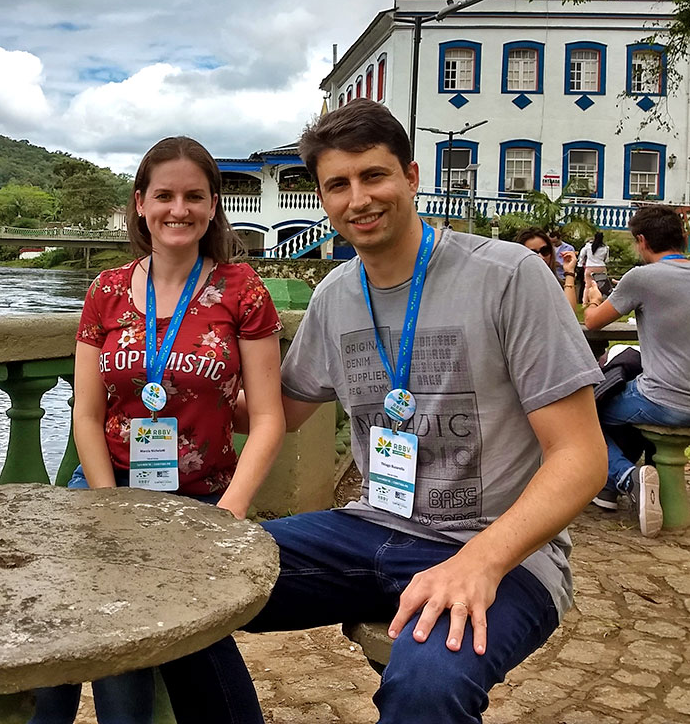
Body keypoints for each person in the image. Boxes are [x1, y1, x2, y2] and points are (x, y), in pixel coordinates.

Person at [159, 100, 606, 724]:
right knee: (179, 589)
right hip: (371, 526)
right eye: (337, 185)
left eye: (374, 176)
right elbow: (277, 413)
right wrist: (176, 381)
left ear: (412, 177)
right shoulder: (335, 295)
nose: (358, 199)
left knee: (426, 689)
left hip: (496, 546)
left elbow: (581, 458)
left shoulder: (509, 276)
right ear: (322, 198)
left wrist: (480, 562)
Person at [30, 136, 286, 724]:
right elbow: (88, 415)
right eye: (164, 195)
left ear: (214, 205)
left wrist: (230, 513)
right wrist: (107, 502)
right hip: (106, 482)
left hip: (201, 498)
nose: (179, 209)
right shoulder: (108, 290)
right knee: (67, 623)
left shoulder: (241, 291)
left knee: (147, 635)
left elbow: (268, 417)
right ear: (140, 203)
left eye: (194, 196)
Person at [583, 204, 690, 537]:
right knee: (623, 393)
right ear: (682, 237)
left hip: (666, 401)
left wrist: (593, 297)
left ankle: (627, 478)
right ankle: (610, 489)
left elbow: (594, 322)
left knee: (582, 415)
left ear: (641, 241)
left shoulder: (642, 278)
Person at [515, 226, 577, 310]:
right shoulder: (515, 286)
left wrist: (569, 272)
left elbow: (569, 315)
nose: (541, 256)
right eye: (532, 253)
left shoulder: (555, 283)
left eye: (545, 250)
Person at [578, 231, 612, 299]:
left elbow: (582, 254)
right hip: (601, 267)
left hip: (590, 267)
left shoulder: (588, 246)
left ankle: (585, 302)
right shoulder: (606, 248)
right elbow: (606, 260)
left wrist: (580, 263)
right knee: (601, 285)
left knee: (587, 286)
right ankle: (599, 299)